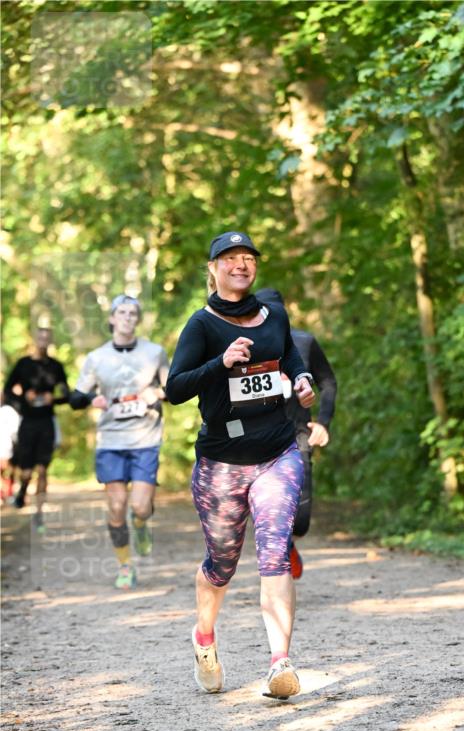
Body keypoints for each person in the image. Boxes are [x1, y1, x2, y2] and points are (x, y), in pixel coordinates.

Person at [166, 230, 315, 700]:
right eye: (229, 258)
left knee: (274, 555)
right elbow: (174, 389)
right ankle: (205, 639)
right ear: (213, 270)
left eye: (247, 257)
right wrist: (221, 364)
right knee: (223, 563)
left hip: (277, 452)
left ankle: (280, 665)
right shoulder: (201, 325)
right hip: (222, 462)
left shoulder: (275, 315)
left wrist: (303, 379)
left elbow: (288, 356)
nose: (240, 264)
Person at [69, 295, 170, 590]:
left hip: (145, 437)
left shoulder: (155, 353)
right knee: (116, 507)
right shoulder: (97, 358)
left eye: (132, 313)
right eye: (122, 313)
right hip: (111, 439)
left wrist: (159, 394)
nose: (127, 317)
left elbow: (175, 387)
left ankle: (141, 524)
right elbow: (75, 397)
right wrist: (91, 398)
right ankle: (125, 566)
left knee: (139, 507)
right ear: (112, 319)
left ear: (137, 319)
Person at [256, 288, 337, 579]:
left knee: (300, 520)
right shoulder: (245, 345)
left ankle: (288, 542)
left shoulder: (304, 342)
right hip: (258, 437)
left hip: (298, 433)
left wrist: (324, 422)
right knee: (267, 507)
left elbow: (327, 382)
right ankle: (276, 562)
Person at [3, 326, 69, 530]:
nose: (43, 341)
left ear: (50, 341)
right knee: (26, 471)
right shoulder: (23, 365)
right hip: (27, 422)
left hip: (47, 422)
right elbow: (7, 391)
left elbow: (67, 393)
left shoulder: (56, 367)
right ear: (34, 340)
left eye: (46, 338)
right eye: (40, 337)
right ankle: (22, 489)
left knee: (42, 469)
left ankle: (39, 515)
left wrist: (54, 399)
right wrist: (24, 399)